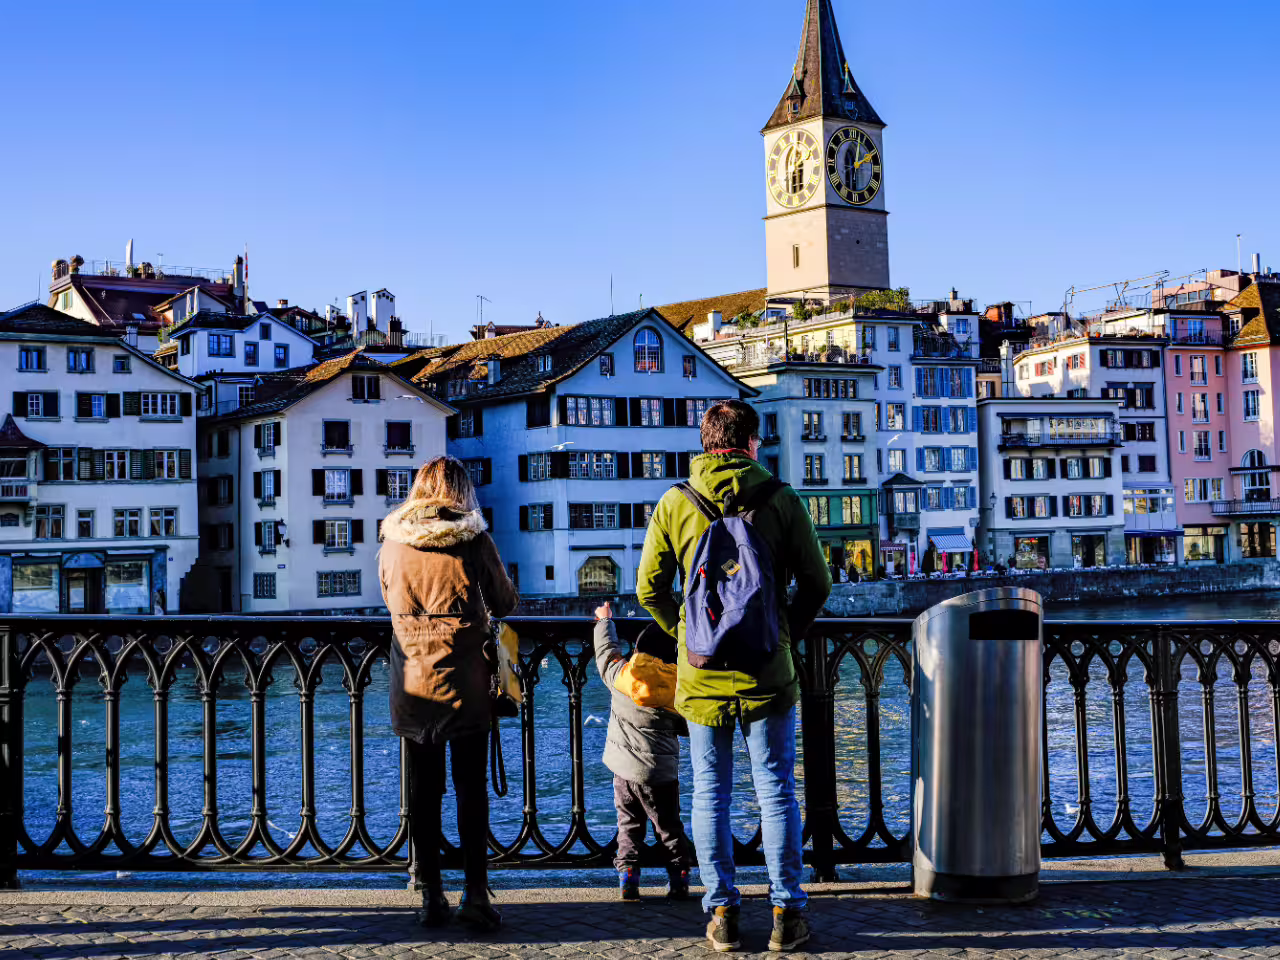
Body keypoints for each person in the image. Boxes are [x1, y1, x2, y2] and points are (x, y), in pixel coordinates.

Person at [637, 400, 831, 954]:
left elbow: (648, 588)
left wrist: (689, 633)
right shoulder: (781, 499)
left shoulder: (675, 502)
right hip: (768, 671)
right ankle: (788, 914)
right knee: (775, 793)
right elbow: (817, 584)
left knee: (710, 794)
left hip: (700, 675)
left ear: (705, 442)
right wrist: (782, 631)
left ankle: (721, 912)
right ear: (751, 444)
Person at [379, 456, 518, 931]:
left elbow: (386, 593)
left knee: (423, 789)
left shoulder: (393, 540)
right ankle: (475, 895)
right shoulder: (472, 537)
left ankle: (430, 893)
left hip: (413, 679)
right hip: (466, 680)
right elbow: (504, 601)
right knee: (470, 789)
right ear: (462, 491)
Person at [592, 600, 693, 901]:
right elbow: (689, 727)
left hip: (623, 771)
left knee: (629, 826)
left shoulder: (624, 677)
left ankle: (629, 877)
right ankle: (679, 879)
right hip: (661, 775)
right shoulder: (679, 692)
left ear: (637, 653)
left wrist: (604, 622)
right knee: (669, 828)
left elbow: (606, 656)